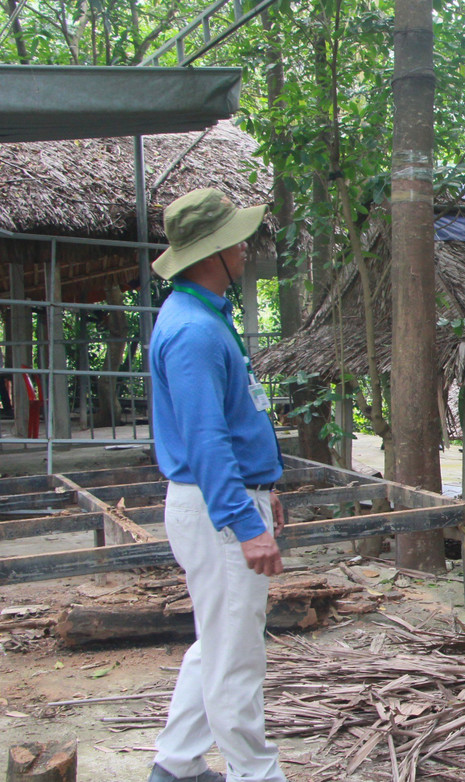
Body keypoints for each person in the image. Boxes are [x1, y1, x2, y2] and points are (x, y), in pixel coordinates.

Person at [147, 188, 288, 782]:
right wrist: (245, 522)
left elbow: (227, 423)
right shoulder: (195, 332)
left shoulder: (201, 317)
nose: (245, 247)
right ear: (213, 253)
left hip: (221, 500)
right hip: (216, 508)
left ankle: (177, 764)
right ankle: (255, 773)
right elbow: (206, 441)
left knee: (219, 642)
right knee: (236, 657)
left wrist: (262, 489)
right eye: (236, 239)